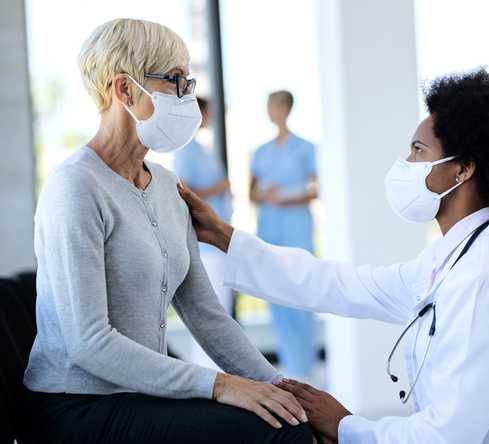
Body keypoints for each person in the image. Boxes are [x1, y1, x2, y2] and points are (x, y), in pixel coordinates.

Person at [178, 68, 489, 444]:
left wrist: (345, 425)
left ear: (462, 169)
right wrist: (225, 236)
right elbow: (347, 286)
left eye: (419, 151)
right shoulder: (453, 258)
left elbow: (448, 434)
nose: (406, 163)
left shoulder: (482, 278)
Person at [20, 18, 312, 444]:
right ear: (125, 90)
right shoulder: (75, 186)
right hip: (75, 406)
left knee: (293, 420)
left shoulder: (166, 186)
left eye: (188, 82)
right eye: (175, 80)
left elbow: (206, 316)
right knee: (275, 434)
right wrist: (223, 385)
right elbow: (89, 342)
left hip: (142, 397)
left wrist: (285, 390)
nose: (187, 96)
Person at [249, 90, 319, 381]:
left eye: (272, 107)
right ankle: (289, 367)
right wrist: (266, 195)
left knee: (301, 293)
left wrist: (285, 196)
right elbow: (252, 192)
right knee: (274, 296)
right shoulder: (261, 151)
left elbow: (315, 189)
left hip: (296, 229)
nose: (269, 112)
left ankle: (305, 366)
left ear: (286, 108)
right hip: (269, 230)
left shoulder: (306, 148)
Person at [172, 97, 234, 370]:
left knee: (221, 313)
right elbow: (185, 191)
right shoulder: (186, 151)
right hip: (206, 245)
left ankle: (219, 372)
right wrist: (219, 187)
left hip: (219, 243)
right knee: (212, 314)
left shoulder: (201, 149)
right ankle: (209, 373)